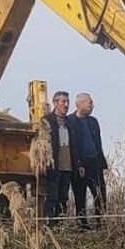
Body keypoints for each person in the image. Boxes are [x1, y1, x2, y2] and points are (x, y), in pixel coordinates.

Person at [70, 92, 108, 229]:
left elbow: (98, 143)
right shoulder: (71, 121)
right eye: (90, 102)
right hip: (80, 164)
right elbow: (72, 146)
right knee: (80, 195)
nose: (92, 105)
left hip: (95, 162)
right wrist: (78, 164)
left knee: (100, 194)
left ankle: (101, 222)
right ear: (80, 104)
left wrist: (102, 163)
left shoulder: (93, 121)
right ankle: (82, 224)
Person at [41, 91, 74, 223]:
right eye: (63, 102)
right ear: (55, 103)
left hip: (67, 166)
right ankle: (48, 223)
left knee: (63, 198)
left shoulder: (70, 122)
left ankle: (60, 224)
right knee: (52, 196)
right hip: (53, 166)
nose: (66, 105)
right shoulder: (47, 121)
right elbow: (42, 144)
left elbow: (74, 146)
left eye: (67, 102)